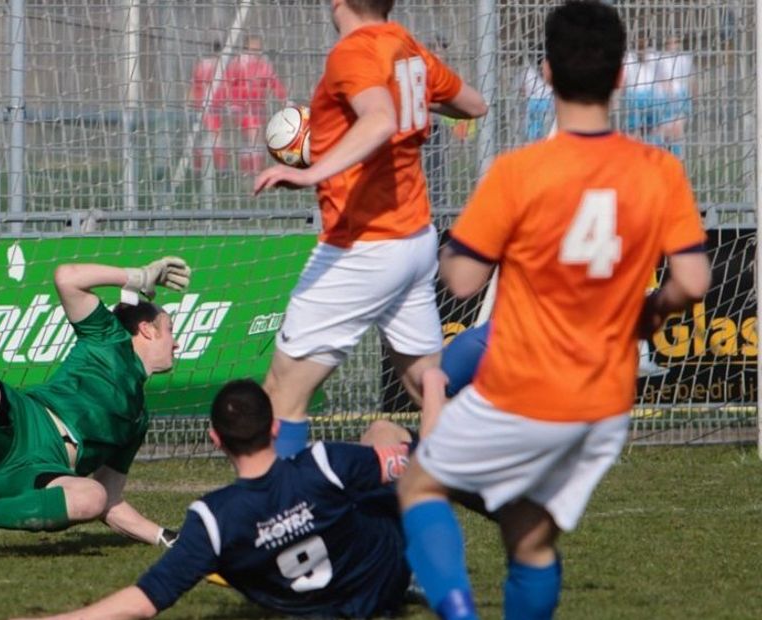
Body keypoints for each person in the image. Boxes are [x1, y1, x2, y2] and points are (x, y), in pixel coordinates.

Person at [397, 3, 711, 620]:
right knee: (529, 537)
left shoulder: (519, 172)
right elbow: (694, 282)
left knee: (420, 483)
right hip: (602, 402)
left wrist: (472, 240)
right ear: (622, 76)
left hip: (523, 386)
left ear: (545, 72)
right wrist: (650, 312)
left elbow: (460, 281)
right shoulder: (659, 171)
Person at [252, 0, 488, 458]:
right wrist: (411, 100)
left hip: (363, 247)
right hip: (415, 240)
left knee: (283, 391)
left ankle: (280, 516)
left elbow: (379, 119)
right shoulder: (406, 47)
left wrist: (310, 173)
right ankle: (481, 475)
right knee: (426, 384)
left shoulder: (352, 52)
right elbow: (475, 104)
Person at [19, 379, 420, 619]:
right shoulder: (323, 464)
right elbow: (417, 466)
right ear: (276, 427)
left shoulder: (213, 520)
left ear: (215, 439)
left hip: (314, 607)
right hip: (384, 583)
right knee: (385, 433)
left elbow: (143, 603)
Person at [0, 255, 191, 547]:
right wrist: (139, 277)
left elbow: (109, 498)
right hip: (28, 420)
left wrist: (165, 537)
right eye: (170, 330)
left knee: (93, 497)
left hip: (42, 474)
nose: (176, 342)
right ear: (147, 330)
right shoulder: (109, 336)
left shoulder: (139, 417)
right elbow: (67, 277)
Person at [221, 35, 288, 174]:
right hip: (241, 107)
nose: (256, 51)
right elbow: (226, 83)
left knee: (254, 140)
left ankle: (251, 172)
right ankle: (254, 172)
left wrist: (285, 100)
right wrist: (228, 102)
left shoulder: (263, 64)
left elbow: (273, 82)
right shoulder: (238, 63)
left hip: (257, 108)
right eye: (252, 48)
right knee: (254, 137)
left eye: (258, 48)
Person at [654, 35, 694, 158]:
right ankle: (660, 157)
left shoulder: (685, 58)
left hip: (681, 95)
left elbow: (691, 78)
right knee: (662, 130)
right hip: (664, 97)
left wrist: (691, 96)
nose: (673, 45)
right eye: (670, 42)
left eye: (676, 42)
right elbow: (662, 79)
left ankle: (677, 158)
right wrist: (671, 95)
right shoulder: (661, 58)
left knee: (678, 130)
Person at [189, 41, 226, 171]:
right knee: (215, 138)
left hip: (200, 105)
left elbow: (194, 85)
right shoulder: (220, 65)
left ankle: (198, 168)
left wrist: (192, 101)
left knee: (202, 137)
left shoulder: (201, 65)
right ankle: (219, 169)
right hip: (213, 106)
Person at [521, 54, 554, 141]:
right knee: (545, 129)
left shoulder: (528, 71)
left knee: (535, 131)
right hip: (545, 100)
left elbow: (524, 89)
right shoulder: (530, 71)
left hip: (536, 100)